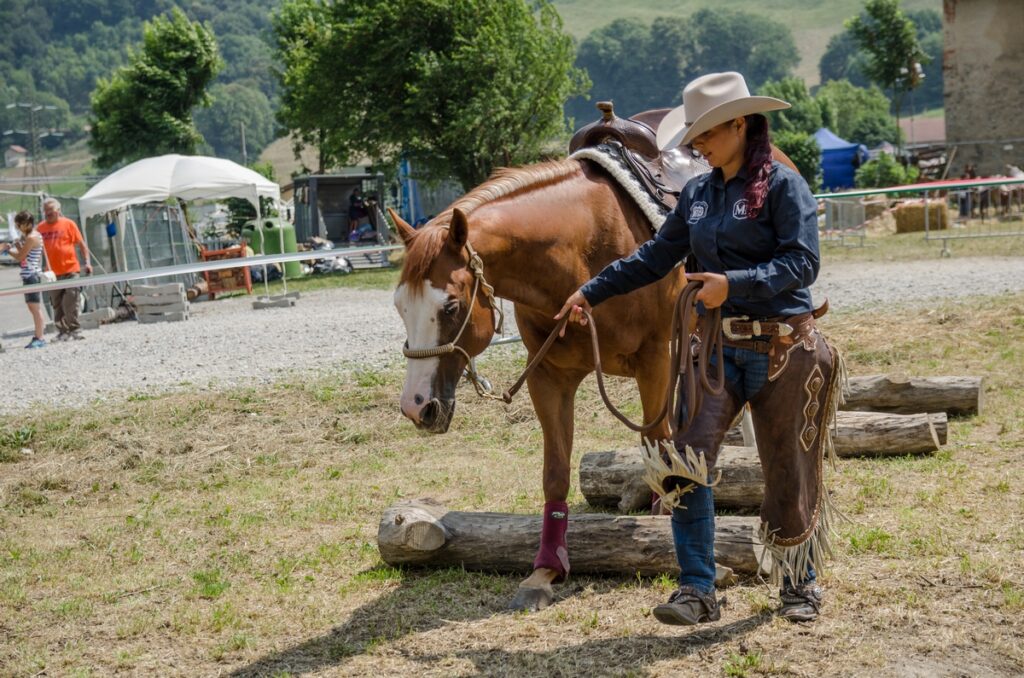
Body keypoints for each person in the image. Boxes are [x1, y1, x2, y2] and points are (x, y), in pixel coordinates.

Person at [556, 72, 842, 625]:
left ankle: (798, 583)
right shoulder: (698, 194)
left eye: (706, 133)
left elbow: (803, 264)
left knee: (788, 467)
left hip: (785, 347)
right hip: (714, 353)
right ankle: (696, 589)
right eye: (693, 136)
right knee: (683, 461)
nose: (696, 146)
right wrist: (590, 292)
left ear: (740, 124)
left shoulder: (784, 186)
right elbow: (654, 258)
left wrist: (731, 286)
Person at [36, 198, 91, 340]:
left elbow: (81, 244)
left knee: (71, 300)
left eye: (50, 210)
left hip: (71, 269)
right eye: (45, 210)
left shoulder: (69, 224)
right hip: (52, 273)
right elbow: (34, 249)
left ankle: (75, 329)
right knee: (57, 304)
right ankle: (62, 331)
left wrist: (87, 262)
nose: (48, 213)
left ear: (58, 211)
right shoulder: (40, 228)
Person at [1, 210, 46, 348]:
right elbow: (24, 253)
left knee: (35, 308)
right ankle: (39, 336)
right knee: (33, 308)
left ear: (26, 224)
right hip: (29, 275)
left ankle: (40, 337)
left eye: (19, 225)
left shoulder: (32, 237)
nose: (18, 228)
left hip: (31, 275)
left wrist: (7, 250)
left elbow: (21, 257)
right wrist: (16, 244)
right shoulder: (32, 236)